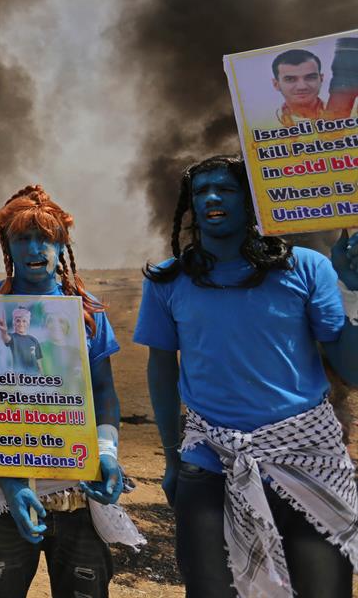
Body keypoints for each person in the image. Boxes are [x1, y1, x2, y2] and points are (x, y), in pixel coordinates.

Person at [133, 155, 358, 598]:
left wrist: (352, 289)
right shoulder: (168, 280)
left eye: (226, 189)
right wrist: (173, 458)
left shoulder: (306, 268)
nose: (211, 198)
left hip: (307, 458)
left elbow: (351, 368)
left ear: (251, 201)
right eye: (201, 191)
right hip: (210, 460)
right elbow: (161, 369)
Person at [0, 185, 143, 598]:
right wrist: (10, 480)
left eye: (45, 238)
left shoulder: (84, 309)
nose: (35, 248)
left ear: (61, 243)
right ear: (7, 246)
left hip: (78, 488)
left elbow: (103, 392)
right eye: (23, 238)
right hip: (2, 486)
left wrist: (107, 452)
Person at [271, 49, 326, 126]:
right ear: (276, 84)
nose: (302, 87)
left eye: (310, 77)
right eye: (290, 79)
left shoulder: (343, 113)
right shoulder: (264, 123)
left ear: (321, 79)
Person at [0, 305, 44, 374]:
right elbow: (6, 339)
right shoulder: (13, 338)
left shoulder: (34, 339)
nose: (21, 324)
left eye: (24, 321)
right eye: (18, 321)